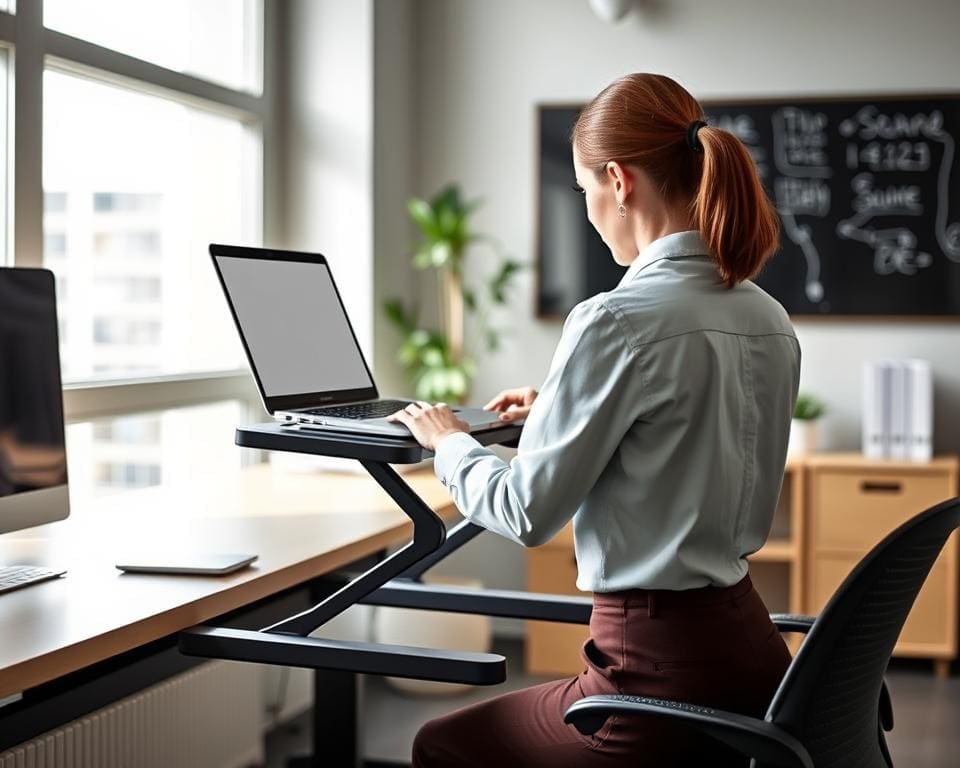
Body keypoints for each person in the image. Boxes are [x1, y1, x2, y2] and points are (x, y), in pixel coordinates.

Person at [387, 72, 800, 767]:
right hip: (753, 662)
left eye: (584, 191)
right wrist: (558, 406)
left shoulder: (614, 319)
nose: (586, 209)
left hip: (651, 679)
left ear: (618, 180)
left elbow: (526, 513)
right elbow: (686, 424)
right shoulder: (766, 317)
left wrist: (452, 445)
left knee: (443, 746)